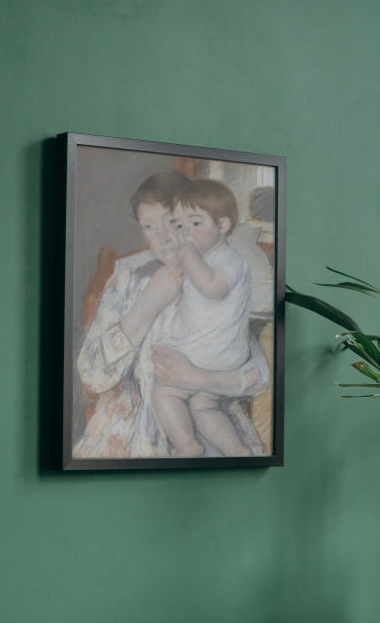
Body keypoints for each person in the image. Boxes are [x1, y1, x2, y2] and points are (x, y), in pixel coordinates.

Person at [74, 172, 268, 459]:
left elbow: (260, 375)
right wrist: (149, 302)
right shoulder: (128, 282)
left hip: (210, 430)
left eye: (171, 222)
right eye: (149, 227)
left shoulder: (219, 278)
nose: (164, 238)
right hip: (129, 437)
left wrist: (199, 378)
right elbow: (90, 377)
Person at [149, 179, 253, 457]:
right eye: (180, 225)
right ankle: (237, 449)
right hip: (223, 356)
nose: (185, 233)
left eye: (196, 224)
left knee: (164, 393)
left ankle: (186, 445)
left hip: (208, 352)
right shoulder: (208, 255)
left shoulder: (229, 258)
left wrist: (187, 254)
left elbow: (212, 288)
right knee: (203, 406)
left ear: (223, 226)